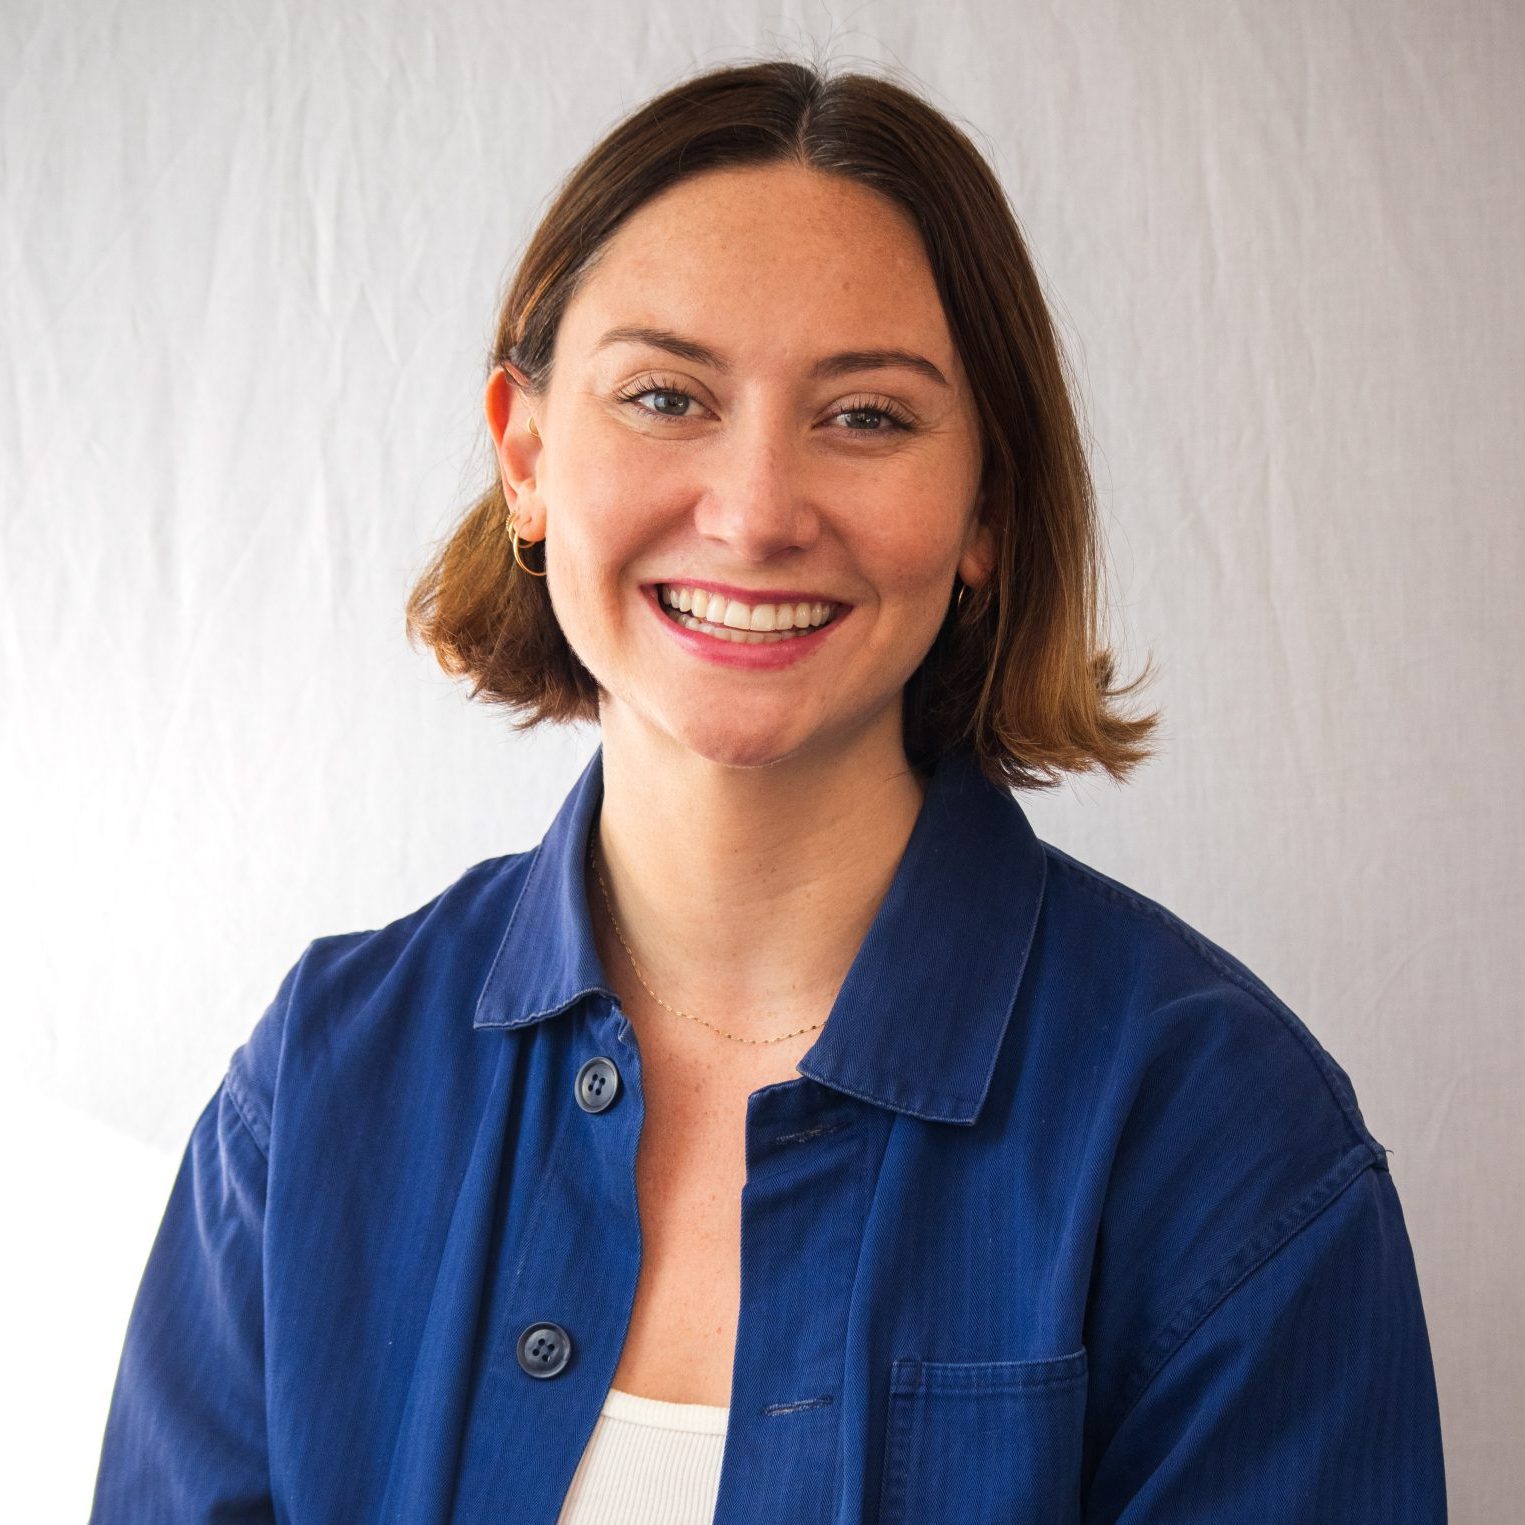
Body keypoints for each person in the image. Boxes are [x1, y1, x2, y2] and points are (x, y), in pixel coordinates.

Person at [89, 56, 1446, 1524]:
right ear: (527, 455)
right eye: (666, 395)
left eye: (864, 416)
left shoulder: (1226, 1139)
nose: (752, 511)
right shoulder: (321, 1085)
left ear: (985, 501)